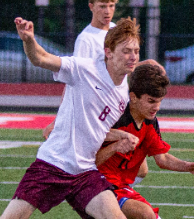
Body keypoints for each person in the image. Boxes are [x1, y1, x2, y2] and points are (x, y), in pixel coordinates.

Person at [0, 17, 142, 219]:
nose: (132, 57)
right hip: (52, 164)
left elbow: (96, 129)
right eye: (126, 51)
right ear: (108, 52)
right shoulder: (85, 68)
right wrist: (29, 40)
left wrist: (120, 136)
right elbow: (41, 58)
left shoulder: (123, 92)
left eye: (136, 51)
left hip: (84, 172)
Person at [42, 0, 150, 187]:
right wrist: (59, 119)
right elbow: (74, 79)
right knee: (121, 164)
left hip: (118, 105)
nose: (107, 11)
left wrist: (146, 65)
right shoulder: (86, 40)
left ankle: (107, 196)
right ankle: (103, 196)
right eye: (102, 6)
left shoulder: (115, 30)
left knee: (139, 167)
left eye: (111, 6)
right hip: (99, 110)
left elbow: (123, 67)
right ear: (91, 6)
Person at [96, 64, 194, 219]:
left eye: (159, 101)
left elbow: (163, 158)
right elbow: (89, 159)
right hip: (97, 184)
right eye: (151, 101)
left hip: (120, 185)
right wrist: (116, 144)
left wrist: (187, 166)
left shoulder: (149, 121)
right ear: (133, 97)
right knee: (145, 213)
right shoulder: (115, 116)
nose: (156, 107)